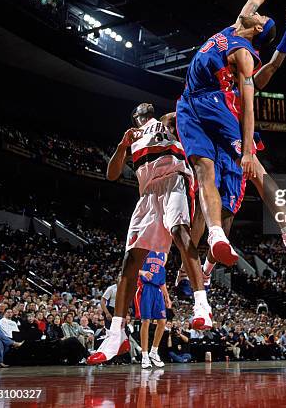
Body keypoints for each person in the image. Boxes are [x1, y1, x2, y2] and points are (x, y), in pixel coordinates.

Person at [176, 0, 286, 283]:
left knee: (246, 189)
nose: (258, 10)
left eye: (262, 16)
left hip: (229, 114)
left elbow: (263, 83)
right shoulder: (236, 26)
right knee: (211, 199)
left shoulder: (245, 55)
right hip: (207, 110)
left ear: (258, 29)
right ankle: (196, 269)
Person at [88, 103, 211, 365]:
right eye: (139, 109)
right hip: (148, 194)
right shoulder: (132, 137)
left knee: (180, 231)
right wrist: (122, 146)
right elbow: (111, 175)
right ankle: (116, 333)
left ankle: (201, 303)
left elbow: (186, 111)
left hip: (174, 180)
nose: (144, 106)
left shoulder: (164, 121)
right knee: (130, 261)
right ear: (135, 116)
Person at [134, 250, 171, 369]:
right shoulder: (145, 250)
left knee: (162, 321)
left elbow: (162, 280)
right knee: (146, 321)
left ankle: (154, 352)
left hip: (158, 290)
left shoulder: (164, 254)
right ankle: (144, 355)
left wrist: (167, 296)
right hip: (146, 288)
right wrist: (143, 272)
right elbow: (131, 269)